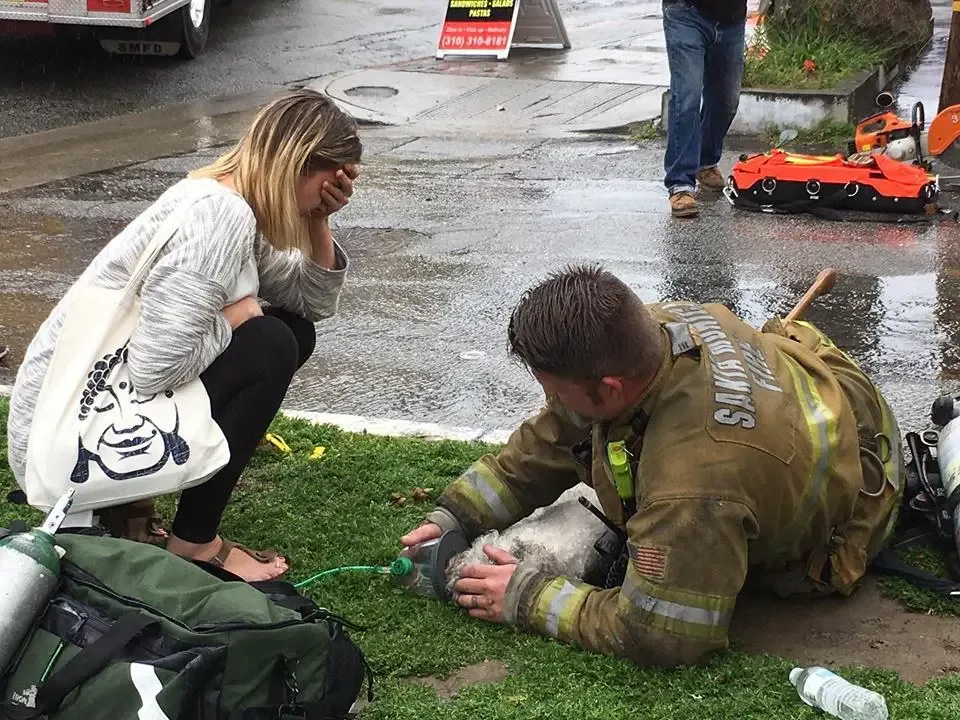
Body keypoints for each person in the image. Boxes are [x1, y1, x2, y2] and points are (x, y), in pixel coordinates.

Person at [400, 264, 905, 668]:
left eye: (555, 390)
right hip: (819, 386)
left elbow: (664, 633)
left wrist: (528, 596)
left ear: (612, 388)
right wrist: (455, 515)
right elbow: (552, 437)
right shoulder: (650, 328)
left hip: (859, 489)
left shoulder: (693, 483)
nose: (549, 401)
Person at [6, 88, 361, 582]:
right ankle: (194, 542)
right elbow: (154, 369)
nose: (332, 195)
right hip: (66, 442)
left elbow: (313, 305)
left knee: (290, 332)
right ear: (299, 164)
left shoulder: (238, 204)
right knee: (270, 343)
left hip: (84, 414)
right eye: (330, 185)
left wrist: (319, 220)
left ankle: (129, 508)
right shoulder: (220, 216)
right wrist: (240, 316)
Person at [662, 0, 747, 218]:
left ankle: (705, 161)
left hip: (731, 18)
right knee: (687, 97)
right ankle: (680, 184)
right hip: (685, 13)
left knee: (726, 102)